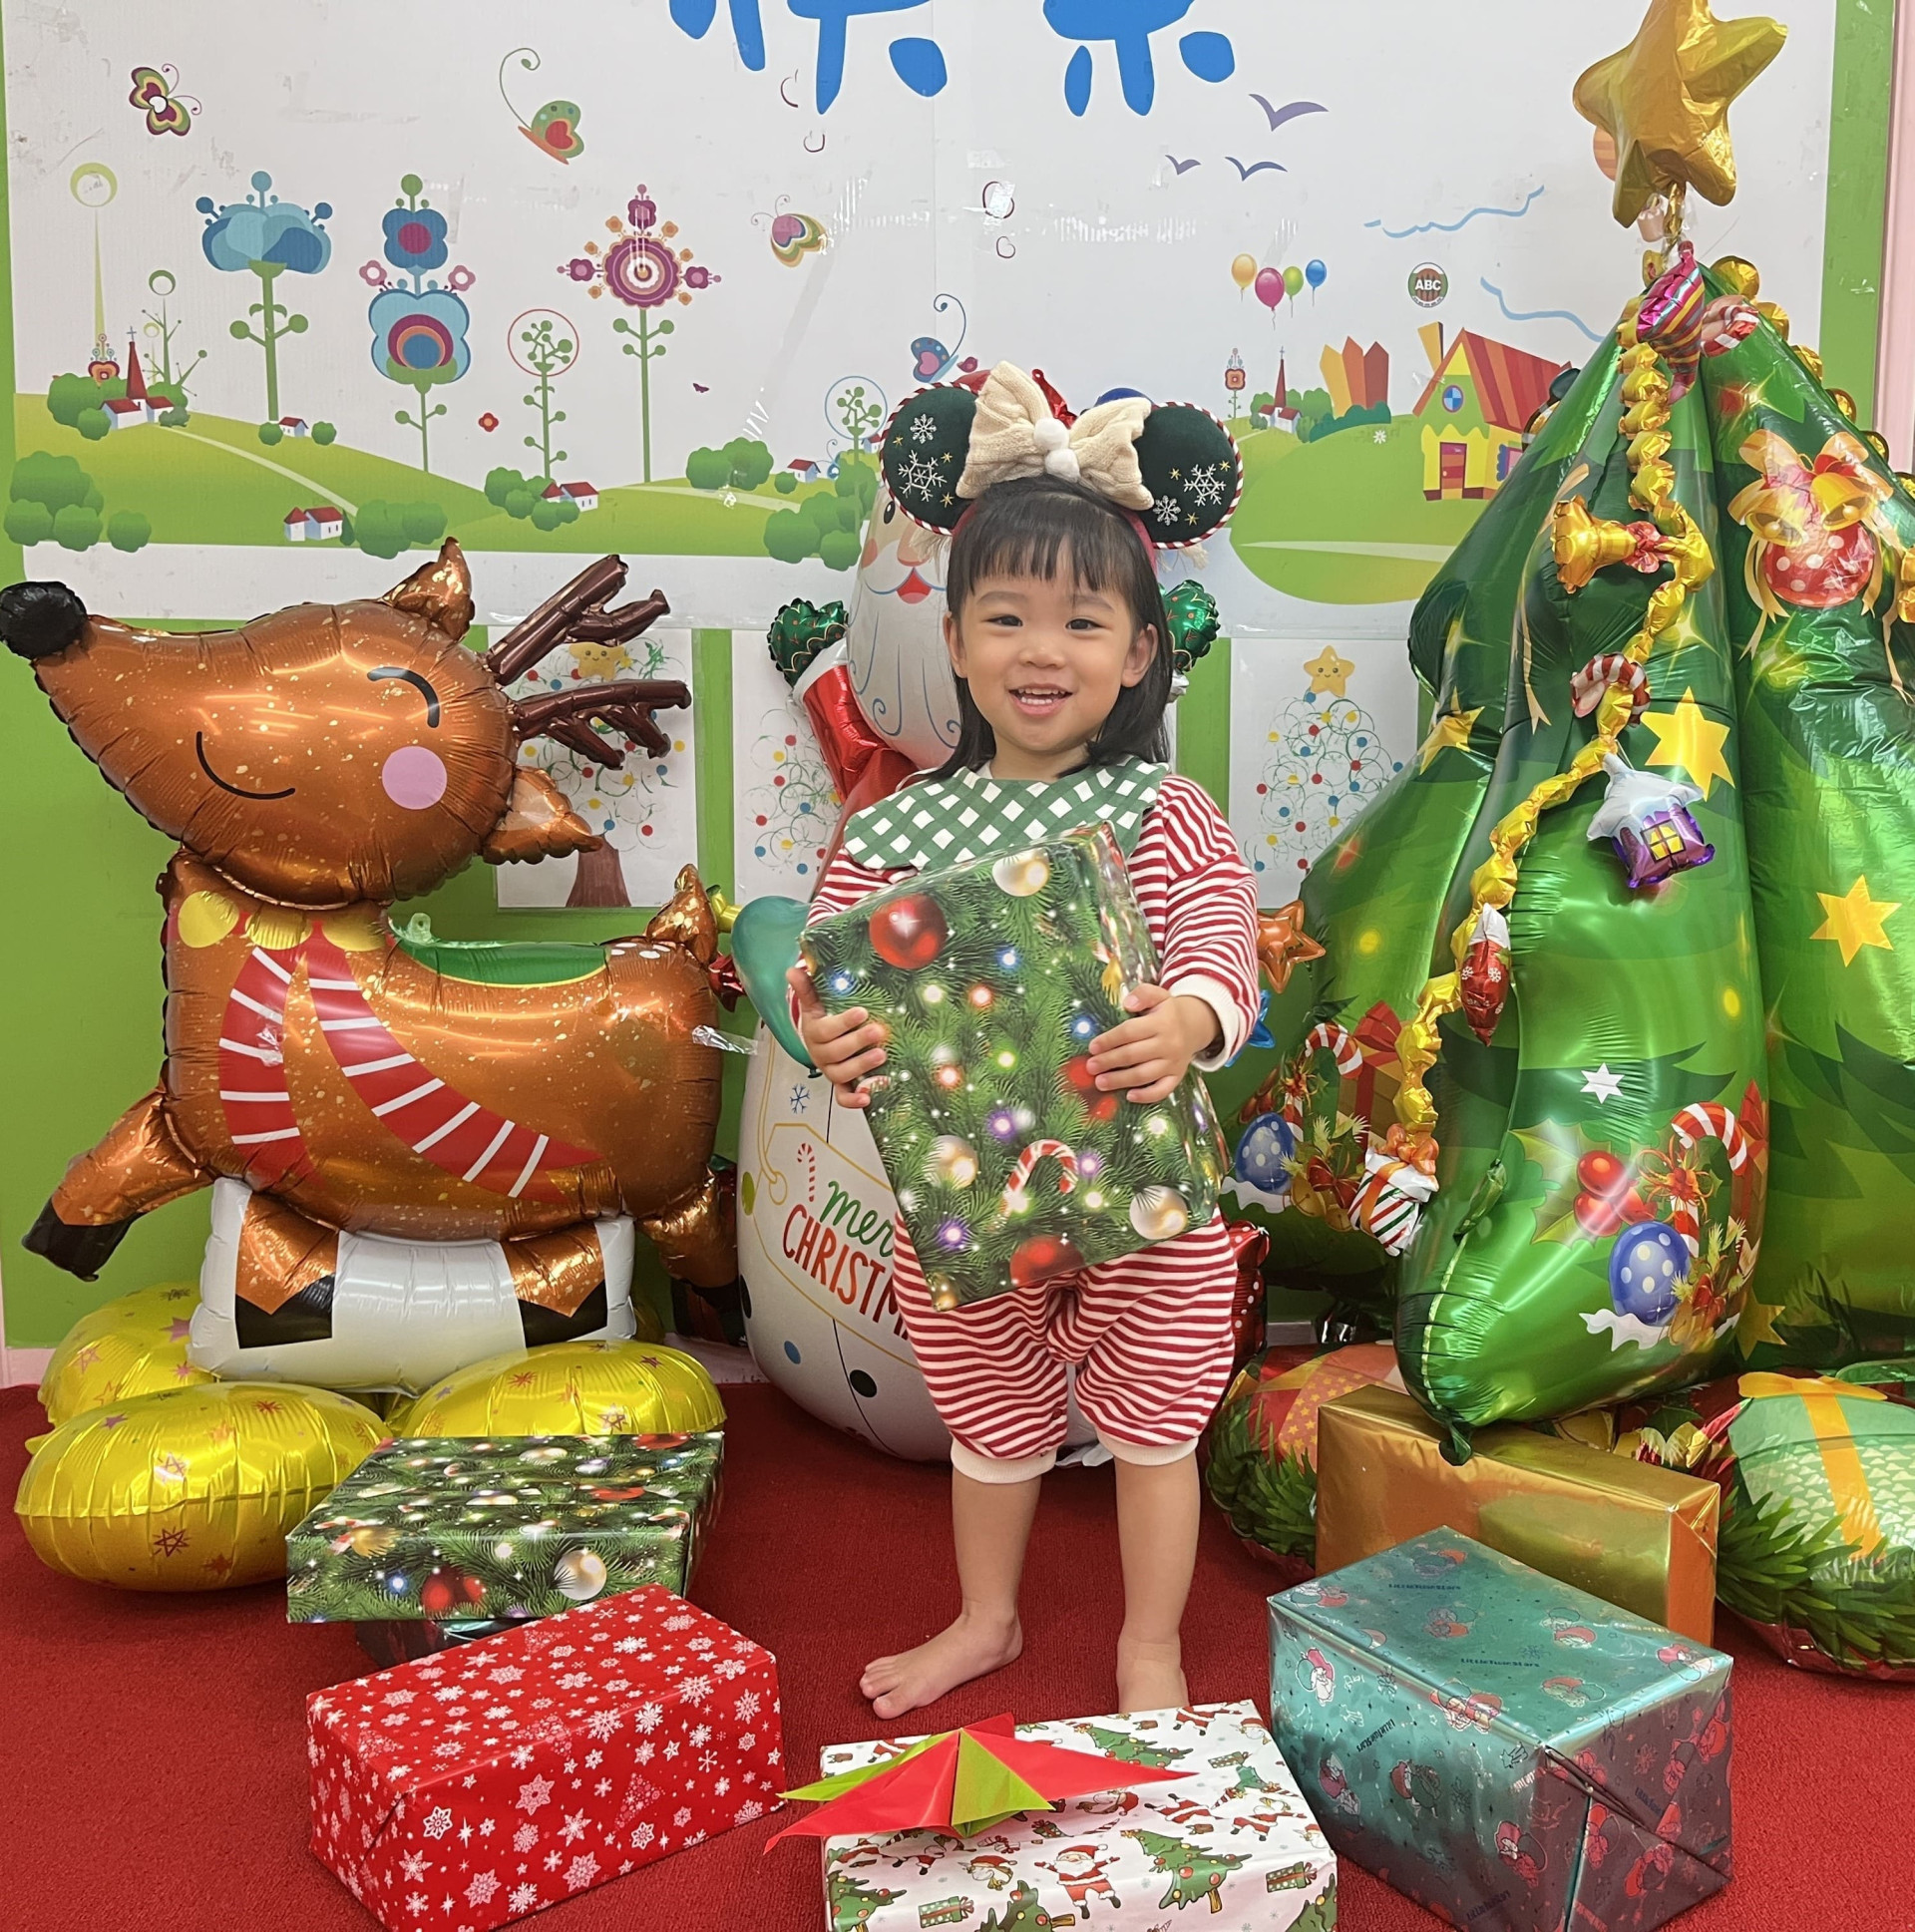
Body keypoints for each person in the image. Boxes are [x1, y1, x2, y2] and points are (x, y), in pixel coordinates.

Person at [789, 471, 1259, 1719]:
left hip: (1144, 1197)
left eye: (1082, 622)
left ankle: (1150, 1642)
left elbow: (1220, 928)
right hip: (962, 1198)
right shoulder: (898, 824)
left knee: (1156, 1422)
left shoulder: (1162, 809)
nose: (1041, 650)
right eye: (1005, 618)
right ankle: (986, 1618)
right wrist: (829, 1029)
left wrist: (1192, 1015)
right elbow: (825, 961)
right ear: (954, 640)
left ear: (1138, 652)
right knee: (988, 1421)